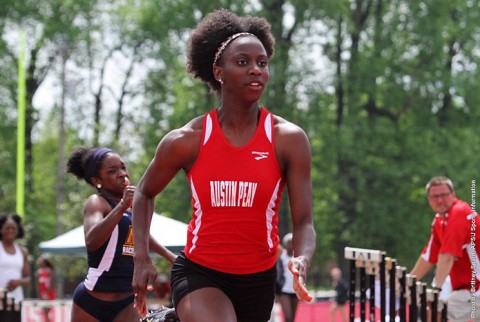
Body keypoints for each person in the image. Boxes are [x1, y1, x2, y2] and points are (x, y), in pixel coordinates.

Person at [131, 8, 316, 322]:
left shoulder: (288, 139)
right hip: (200, 272)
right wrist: (140, 258)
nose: (256, 70)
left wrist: (301, 258)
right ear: (219, 72)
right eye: (242, 62)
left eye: (262, 62)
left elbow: (303, 222)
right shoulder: (187, 139)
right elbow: (143, 194)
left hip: (258, 279)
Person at [66, 147, 177, 322]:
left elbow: (142, 235)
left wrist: (170, 257)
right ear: (97, 181)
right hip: (92, 299)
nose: (121, 174)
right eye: (112, 171)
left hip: (126, 299)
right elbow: (92, 240)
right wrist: (122, 205)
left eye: (123, 168)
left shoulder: (133, 206)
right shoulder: (97, 202)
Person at [410, 176, 480, 322]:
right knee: (432, 309)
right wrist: (406, 282)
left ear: (453, 195)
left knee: (437, 312)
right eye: (435, 196)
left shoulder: (459, 212)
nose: (440, 200)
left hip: (476, 288)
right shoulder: (439, 221)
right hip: (465, 288)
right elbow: (428, 257)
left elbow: (447, 256)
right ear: (429, 199)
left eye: (444, 195)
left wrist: (436, 290)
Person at [0, 213, 30, 304]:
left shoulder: (22, 251)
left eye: (13, 228)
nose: (10, 231)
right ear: (1, 229)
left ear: (18, 231)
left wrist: (18, 282)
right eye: (7, 228)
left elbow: (27, 278)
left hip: (16, 300)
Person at [275, 233, 299, 322]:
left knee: (292, 317)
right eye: (289, 242)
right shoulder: (281, 256)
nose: (291, 245)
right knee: (288, 316)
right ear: (286, 244)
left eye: (293, 242)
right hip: (283, 290)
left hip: (295, 289)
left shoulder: (297, 257)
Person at [36, 254, 56, 322]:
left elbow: (51, 284)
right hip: (42, 294)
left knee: (46, 312)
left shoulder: (49, 271)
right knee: (44, 313)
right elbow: (39, 286)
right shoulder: (39, 272)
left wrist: (47, 294)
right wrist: (40, 295)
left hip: (49, 294)